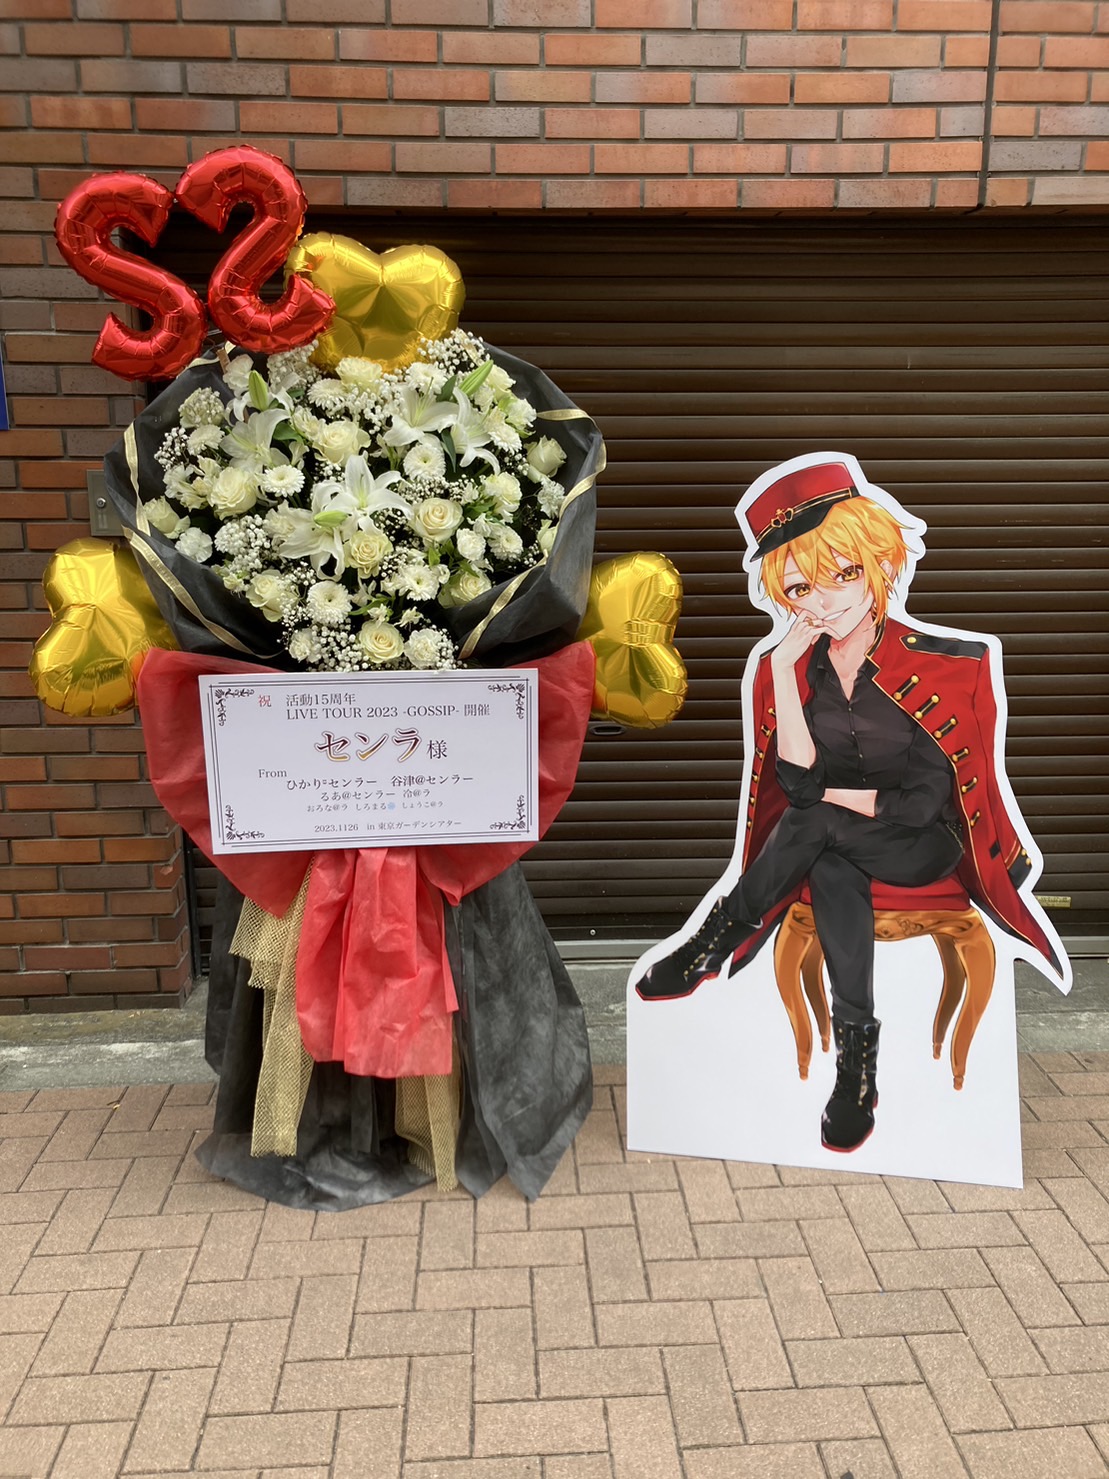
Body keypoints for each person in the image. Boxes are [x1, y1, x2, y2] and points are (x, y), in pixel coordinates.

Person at [635, 455, 1062, 1153]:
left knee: (818, 824)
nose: (824, 600)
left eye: (844, 573)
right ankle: (856, 1072)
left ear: (880, 562)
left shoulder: (948, 663)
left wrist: (831, 797)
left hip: (922, 845)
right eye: (800, 587)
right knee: (830, 861)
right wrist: (781, 668)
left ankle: (715, 939)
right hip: (836, 841)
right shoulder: (787, 669)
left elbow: (921, 801)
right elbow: (795, 784)